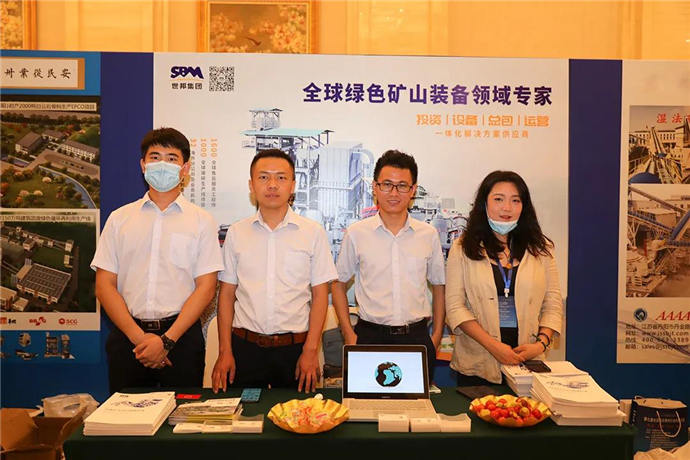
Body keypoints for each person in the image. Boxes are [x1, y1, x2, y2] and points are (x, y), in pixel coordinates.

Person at [92, 127, 224, 394]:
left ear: (185, 169)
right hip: (128, 338)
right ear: (143, 165)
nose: (162, 164)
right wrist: (141, 340)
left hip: (181, 339)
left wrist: (166, 342)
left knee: (182, 415)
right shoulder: (119, 219)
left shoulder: (201, 221)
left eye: (171, 158)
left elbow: (206, 288)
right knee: (126, 416)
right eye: (155, 157)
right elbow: (104, 286)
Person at [211, 149, 337, 393]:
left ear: (293, 185)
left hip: (295, 350)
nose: (272, 185)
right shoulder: (237, 233)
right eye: (263, 177)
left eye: (281, 177)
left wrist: (311, 351)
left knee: (297, 414)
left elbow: (320, 295)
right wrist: (225, 351)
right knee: (244, 415)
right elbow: (226, 295)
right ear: (251, 185)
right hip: (245, 349)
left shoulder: (312, 233)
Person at [332, 150, 445, 380]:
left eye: (402, 186)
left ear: (413, 190)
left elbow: (439, 286)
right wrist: (349, 335)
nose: (394, 193)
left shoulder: (428, 234)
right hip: (368, 337)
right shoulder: (356, 233)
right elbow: (337, 284)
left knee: (417, 403)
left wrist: (435, 338)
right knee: (364, 402)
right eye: (387, 185)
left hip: (416, 338)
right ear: (375, 188)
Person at [445, 170, 563, 385]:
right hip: (478, 364)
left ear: (524, 206)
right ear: (484, 203)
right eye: (498, 199)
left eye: (515, 200)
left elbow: (553, 304)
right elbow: (455, 307)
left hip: (529, 361)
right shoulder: (462, 249)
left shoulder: (541, 249)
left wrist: (540, 345)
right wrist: (494, 346)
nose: (507, 208)